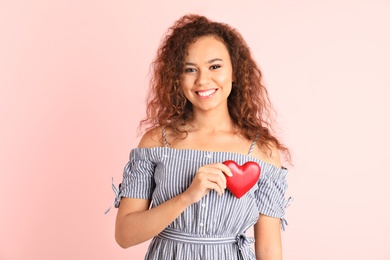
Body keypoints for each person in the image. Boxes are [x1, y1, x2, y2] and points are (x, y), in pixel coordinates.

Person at [112, 14, 291, 260]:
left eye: (215, 66)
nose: (203, 80)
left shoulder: (262, 151)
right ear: (177, 78)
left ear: (235, 72)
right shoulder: (156, 142)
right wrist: (188, 196)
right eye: (190, 69)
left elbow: (269, 250)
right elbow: (124, 235)